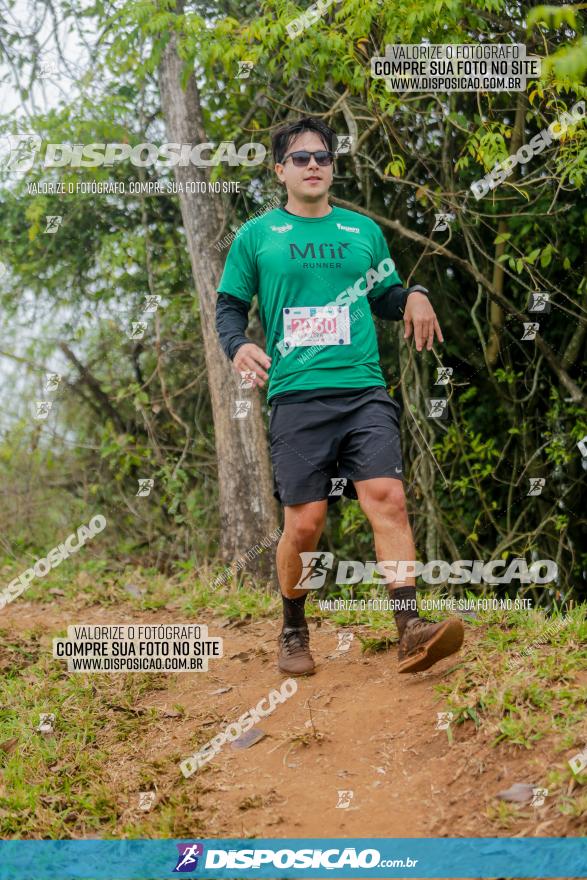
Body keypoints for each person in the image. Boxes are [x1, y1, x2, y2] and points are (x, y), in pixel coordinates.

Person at [215, 116, 464, 676]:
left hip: (362, 391)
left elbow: (386, 294)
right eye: (300, 158)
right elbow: (229, 305)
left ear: (332, 166)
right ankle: (293, 627)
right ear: (280, 170)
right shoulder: (257, 236)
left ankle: (411, 631)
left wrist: (416, 295)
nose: (312, 166)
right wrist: (238, 345)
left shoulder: (360, 232)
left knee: (388, 498)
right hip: (297, 397)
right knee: (305, 522)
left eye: (322, 157)